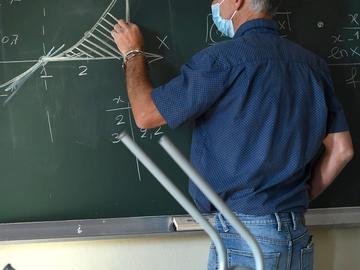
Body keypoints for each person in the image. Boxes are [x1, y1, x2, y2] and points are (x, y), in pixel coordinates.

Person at [111, 0, 354, 269]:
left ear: (237, 1)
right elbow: (342, 150)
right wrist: (296, 199)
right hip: (295, 236)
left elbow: (145, 114)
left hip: (246, 237)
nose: (214, 5)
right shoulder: (312, 66)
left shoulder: (221, 61)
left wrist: (132, 53)